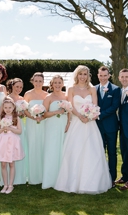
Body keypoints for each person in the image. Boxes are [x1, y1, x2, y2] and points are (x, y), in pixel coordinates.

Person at [54, 65, 112, 194]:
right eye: (80, 74)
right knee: (75, 151)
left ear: (88, 76)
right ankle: (72, 183)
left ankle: (92, 183)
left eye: (85, 74)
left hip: (89, 123)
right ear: (77, 75)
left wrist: (89, 117)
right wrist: (80, 116)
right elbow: (70, 106)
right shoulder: (71, 89)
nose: (82, 76)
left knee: (92, 152)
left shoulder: (92, 89)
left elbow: (95, 106)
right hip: (76, 122)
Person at [0, 98, 24, 194]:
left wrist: (10, 128)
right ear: (3, 108)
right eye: (5, 107)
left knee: (12, 163)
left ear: (13, 107)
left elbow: (19, 131)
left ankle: (11, 185)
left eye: (9, 107)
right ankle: (5, 185)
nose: (7, 109)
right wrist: (3, 128)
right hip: (3, 142)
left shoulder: (16, 118)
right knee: (3, 164)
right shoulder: (1, 118)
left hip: (12, 142)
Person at [94, 66, 121, 183]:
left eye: (105, 75)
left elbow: (114, 107)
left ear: (109, 76)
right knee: (99, 152)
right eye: (101, 75)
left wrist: (99, 115)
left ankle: (112, 178)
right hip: (96, 127)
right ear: (98, 76)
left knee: (112, 152)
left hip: (111, 127)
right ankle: (99, 177)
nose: (103, 78)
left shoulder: (115, 89)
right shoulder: (93, 89)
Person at [41, 75, 68, 189]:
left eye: (59, 82)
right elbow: (44, 113)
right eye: (55, 83)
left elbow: (69, 111)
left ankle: (63, 179)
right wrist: (57, 111)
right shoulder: (48, 97)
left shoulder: (66, 96)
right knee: (52, 150)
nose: (57, 85)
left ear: (62, 84)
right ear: (51, 85)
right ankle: (50, 179)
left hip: (64, 125)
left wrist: (69, 124)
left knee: (63, 150)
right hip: (52, 125)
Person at [22, 73, 48, 185]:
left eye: (40, 81)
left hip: (44, 123)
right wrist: (33, 117)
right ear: (32, 81)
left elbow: (47, 110)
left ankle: (43, 175)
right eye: (36, 81)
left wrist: (42, 117)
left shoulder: (47, 95)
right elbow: (24, 109)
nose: (38, 83)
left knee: (43, 146)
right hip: (31, 123)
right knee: (32, 146)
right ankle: (32, 175)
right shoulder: (28, 94)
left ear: (43, 82)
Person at [6, 78, 30, 185]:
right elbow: (4, 112)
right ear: (12, 86)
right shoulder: (7, 98)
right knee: (9, 150)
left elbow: (24, 113)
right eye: (17, 86)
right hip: (9, 127)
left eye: (21, 87)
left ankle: (20, 176)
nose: (19, 89)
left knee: (20, 149)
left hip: (20, 126)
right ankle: (9, 178)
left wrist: (22, 114)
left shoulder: (22, 99)